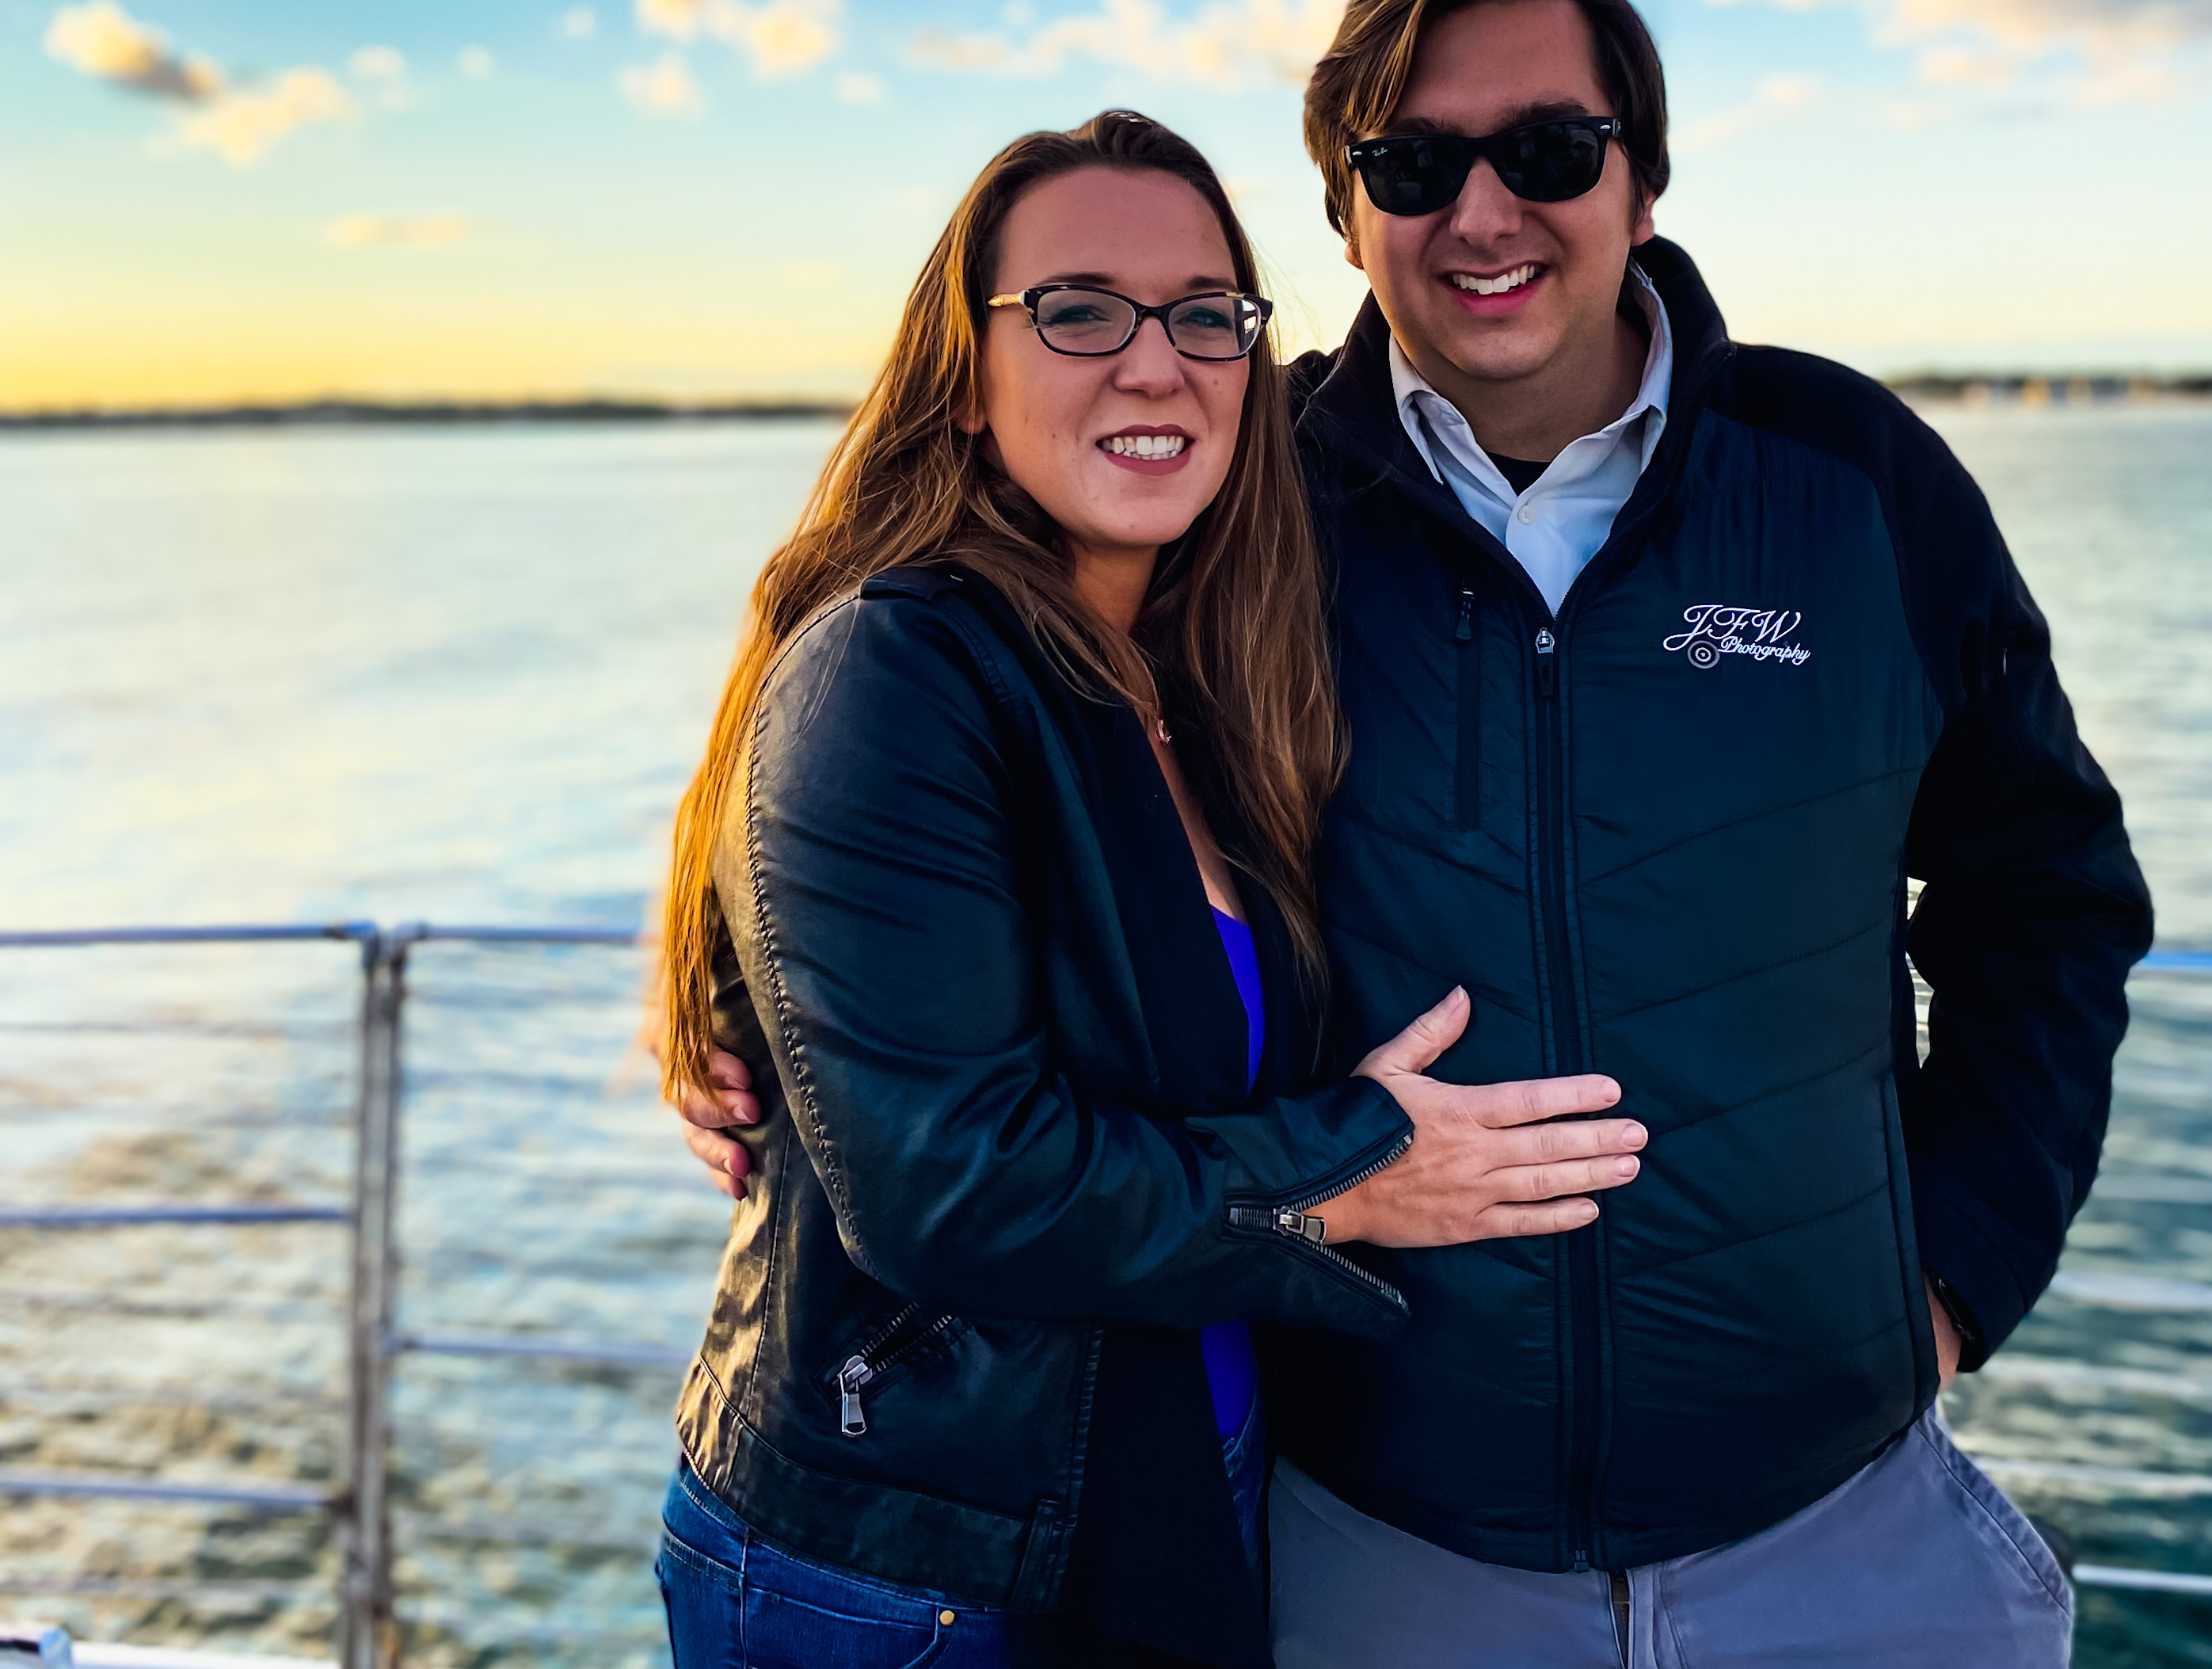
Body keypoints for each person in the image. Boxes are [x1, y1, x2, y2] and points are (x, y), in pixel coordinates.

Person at [676, 0, 2155, 1667]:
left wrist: (1952, 1276)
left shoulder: (1850, 484)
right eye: (1413, 163)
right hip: (1375, 1535)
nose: (1483, 212)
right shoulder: (1244, 499)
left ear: (1641, 180)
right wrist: (735, 998)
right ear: (1346, 214)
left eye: (1549, 149)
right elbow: (893, 708)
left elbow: (2044, 899)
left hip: (1832, 1515)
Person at [643, 108, 1646, 1669]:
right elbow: (943, 1186)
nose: (1152, 364)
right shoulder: (900, 670)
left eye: (1201, 315)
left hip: (1175, 1474)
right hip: (919, 1557)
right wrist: (1349, 1178)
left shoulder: (1188, 672)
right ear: (963, 377)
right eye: (1077, 312)